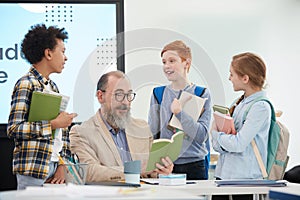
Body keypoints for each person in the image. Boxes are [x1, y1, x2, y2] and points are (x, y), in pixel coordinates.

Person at [69, 70, 173, 182]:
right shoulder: (81, 133)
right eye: (119, 95)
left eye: (129, 95)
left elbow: (149, 172)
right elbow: (89, 172)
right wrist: (135, 171)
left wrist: (160, 171)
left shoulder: (142, 128)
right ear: (100, 96)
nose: (126, 102)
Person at [7, 24, 77, 190]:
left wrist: (63, 164)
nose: (65, 58)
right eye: (63, 51)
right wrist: (52, 124)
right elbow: (14, 128)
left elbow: (61, 135)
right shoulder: (26, 83)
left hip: (54, 169)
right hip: (33, 170)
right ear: (48, 53)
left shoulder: (53, 87)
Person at [148, 40, 212, 180]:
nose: (167, 66)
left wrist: (179, 113)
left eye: (172, 61)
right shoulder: (158, 94)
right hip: (166, 166)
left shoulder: (201, 94)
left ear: (186, 63)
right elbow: (152, 134)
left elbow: (202, 135)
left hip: (195, 166)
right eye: (164, 62)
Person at [211, 52, 271, 200]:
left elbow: (238, 144)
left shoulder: (261, 107)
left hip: (245, 181)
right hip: (223, 177)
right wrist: (221, 139)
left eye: (232, 74)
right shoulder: (237, 104)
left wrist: (216, 134)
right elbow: (218, 147)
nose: (229, 78)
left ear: (245, 78)